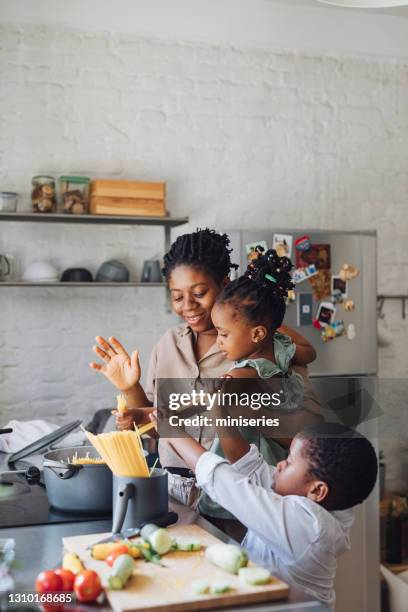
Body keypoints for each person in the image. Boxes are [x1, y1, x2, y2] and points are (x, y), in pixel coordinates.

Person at [89, 229, 317, 513]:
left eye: (199, 293)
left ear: (223, 284)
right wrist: (129, 388)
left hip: (238, 497)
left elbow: (304, 435)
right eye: (177, 296)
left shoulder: (260, 346)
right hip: (173, 492)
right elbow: (159, 427)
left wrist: (251, 412)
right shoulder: (169, 345)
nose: (188, 306)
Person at [150, 414, 378, 609]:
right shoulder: (318, 505)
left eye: (289, 462)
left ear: (317, 490)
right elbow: (251, 467)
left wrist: (173, 432)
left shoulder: (309, 526)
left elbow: (227, 485)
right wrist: (220, 407)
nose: (279, 464)